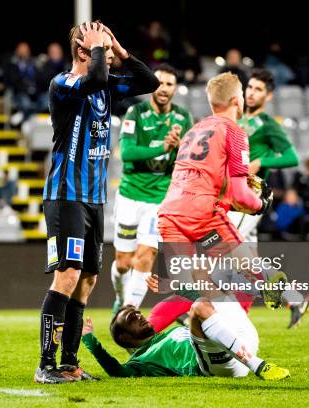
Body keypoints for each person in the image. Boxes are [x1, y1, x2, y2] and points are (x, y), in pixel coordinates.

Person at [35, 21, 159, 384]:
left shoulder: (106, 87)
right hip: (65, 195)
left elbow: (148, 83)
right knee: (68, 275)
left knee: (87, 281)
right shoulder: (64, 85)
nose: (108, 59)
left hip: (93, 198)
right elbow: (92, 79)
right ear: (83, 53)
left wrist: (118, 49)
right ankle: (46, 364)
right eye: (100, 49)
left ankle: (69, 363)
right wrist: (101, 51)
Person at [157, 72, 288, 380]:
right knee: (250, 267)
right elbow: (241, 194)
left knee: (199, 298)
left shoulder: (194, 130)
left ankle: (235, 356)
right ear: (235, 101)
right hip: (201, 216)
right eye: (242, 93)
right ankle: (270, 285)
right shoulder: (234, 130)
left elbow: (210, 182)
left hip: (169, 217)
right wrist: (261, 205)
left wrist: (236, 197)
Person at [110, 64, 192, 313]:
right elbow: (127, 153)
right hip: (130, 196)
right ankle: (120, 297)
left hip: (159, 199)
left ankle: (128, 312)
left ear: (175, 88)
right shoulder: (136, 112)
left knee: (145, 257)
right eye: (159, 83)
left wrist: (177, 147)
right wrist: (163, 148)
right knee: (124, 263)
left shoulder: (183, 118)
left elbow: (189, 159)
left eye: (169, 83)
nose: (164, 88)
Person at [228, 69, 306, 325]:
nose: (252, 93)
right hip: (233, 191)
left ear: (268, 96)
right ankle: (293, 298)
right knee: (246, 260)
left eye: (258, 89)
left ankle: (196, 308)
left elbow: (292, 157)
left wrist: (262, 161)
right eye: (250, 87)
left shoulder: (269, 125)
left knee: (226, 246)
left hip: (250, 193)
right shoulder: (236, 117)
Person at [81, 300, 265, 379]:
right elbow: (117, 372)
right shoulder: (140, 363)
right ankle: (258, 365)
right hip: (218, 365)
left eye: (137, 313)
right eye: (132, 319)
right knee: (199, 304)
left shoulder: (169, 334)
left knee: (213, 284)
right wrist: (89, 340)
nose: (139, 316)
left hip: (242, 345)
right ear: (124, 337)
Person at [36, 42, 69, 113]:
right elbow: (43, 83)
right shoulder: (43, 67)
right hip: (47, 94)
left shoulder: (67, 66)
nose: (55, 54)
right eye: (53, 52)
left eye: (57, 52)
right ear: (49, 54)